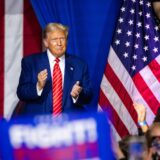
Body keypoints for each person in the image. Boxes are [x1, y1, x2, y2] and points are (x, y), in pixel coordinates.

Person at [17, 23, 93, 116]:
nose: (59, 43)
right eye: (54, 39)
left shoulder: (80, 65)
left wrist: (78, 94)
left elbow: (89, 96)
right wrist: (38, 87)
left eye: (62, 38)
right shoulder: (30, 62)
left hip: (69, 125)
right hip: (39, 125)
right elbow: (21, 93)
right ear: (46, 42)